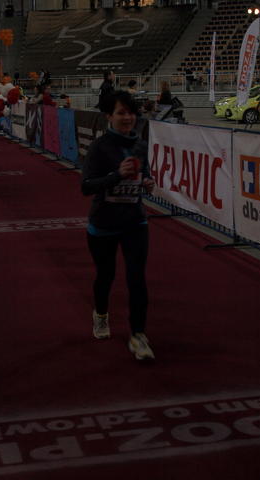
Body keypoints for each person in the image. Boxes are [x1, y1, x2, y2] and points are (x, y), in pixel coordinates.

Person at [81, 91, 156, 361]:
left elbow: (144, 172)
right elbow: (86, 186)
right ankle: (101, 314)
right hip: (104, 223)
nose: (128, 118)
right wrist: (116, 175)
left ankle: (138, 335)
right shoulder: (100, 147)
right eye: (121, 113)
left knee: (137, 278)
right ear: (108, 117)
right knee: (106, 275)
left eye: (131, 113)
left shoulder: (141, 145)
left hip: (135, 221)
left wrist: (147, 182)